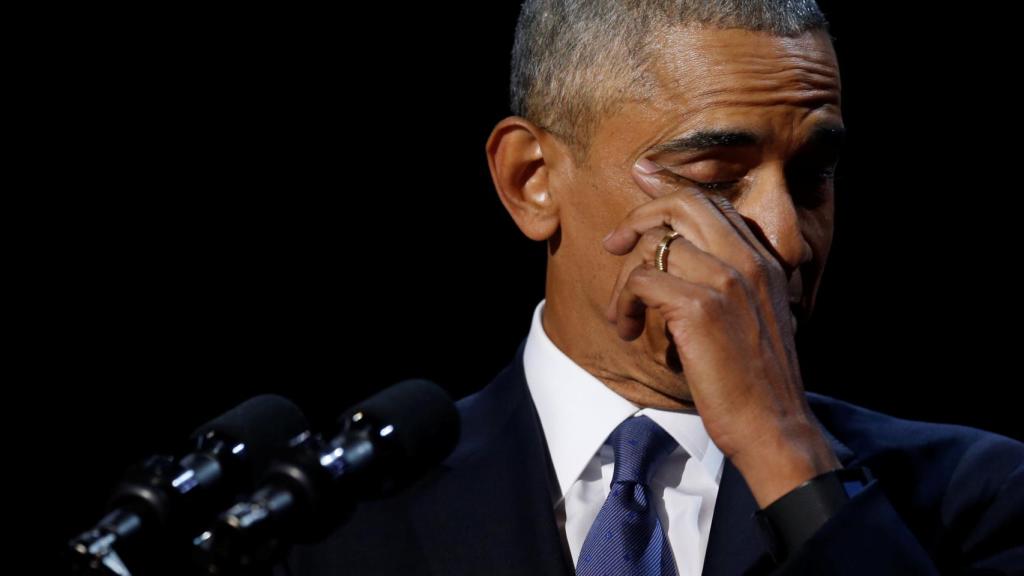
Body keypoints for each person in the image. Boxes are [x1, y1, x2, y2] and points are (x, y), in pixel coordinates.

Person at [280, 1, 1024, 574]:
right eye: (715, 179)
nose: (789, 241)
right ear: (531, 181)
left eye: (812, 177)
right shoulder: (335, 515)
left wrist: (785, 451)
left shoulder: (979, 495)